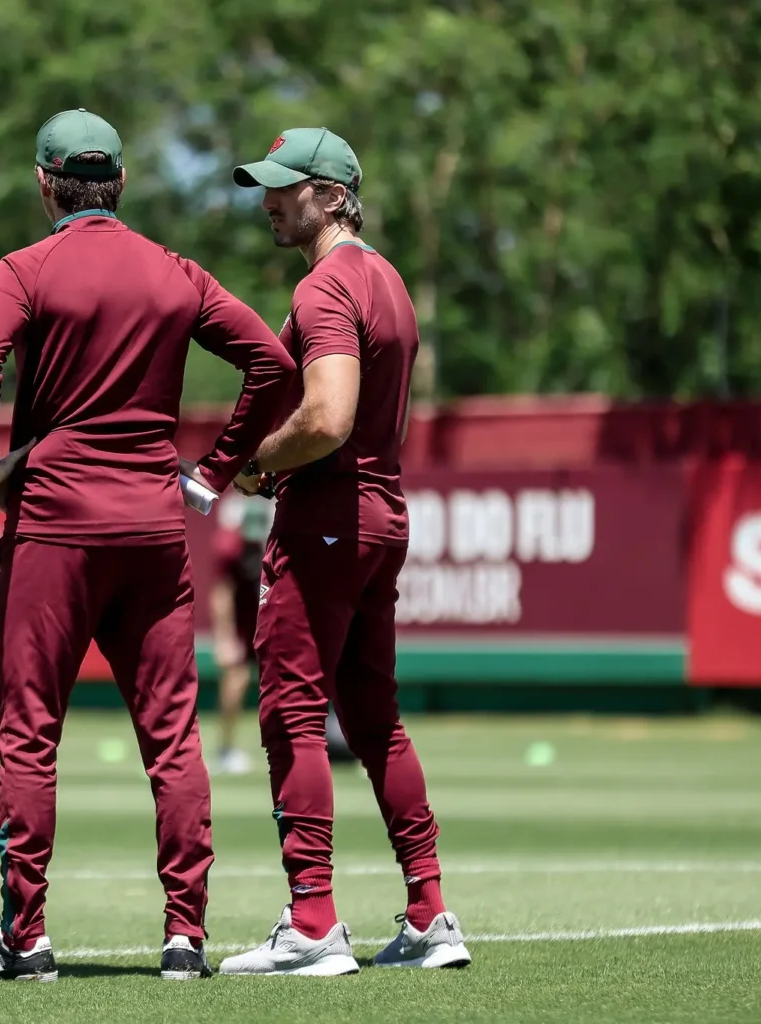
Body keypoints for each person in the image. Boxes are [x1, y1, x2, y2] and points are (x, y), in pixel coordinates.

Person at [0, 109, 294, 983]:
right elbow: (273, 364)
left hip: (55, 528)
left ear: (43, 183)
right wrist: (215, 469)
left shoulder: (25, 270)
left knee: (30, 734)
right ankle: (186, 938)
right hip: (151, 527)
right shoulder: (172, 271)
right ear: (122, 183)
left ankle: (25, 941)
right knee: (173, 736)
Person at [218, 128, 471, 976]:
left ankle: (314, 923)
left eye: (286, 188)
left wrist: (256, 464)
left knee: (290, 709)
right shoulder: (389, 280)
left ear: (333, 195)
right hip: (381, 513)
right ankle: (432, 914)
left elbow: (327, 417)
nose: (270, 202)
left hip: (328, 513)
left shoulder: (327, 286)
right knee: (371, 718)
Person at [209, 491, 273, 775]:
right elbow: (222, 593)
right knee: (236, 679)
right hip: (241, 624)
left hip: (271, 621)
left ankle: (294, 744)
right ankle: (225, 749)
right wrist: (224, 638)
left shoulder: (275, 544)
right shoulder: (230, 547)